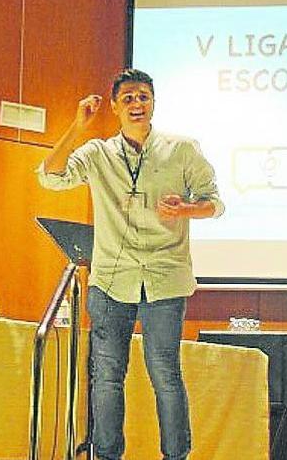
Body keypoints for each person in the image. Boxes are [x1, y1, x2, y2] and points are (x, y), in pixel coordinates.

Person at [36, 68, 224, 460]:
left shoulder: (182, 149)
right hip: (111, 279)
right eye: (128, 99)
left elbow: (215, 204)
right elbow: (51, 177)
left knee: (165, 373)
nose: (136, 105)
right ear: (116, 108)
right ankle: (106, 455)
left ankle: (176, 455)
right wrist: (77, 127)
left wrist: (186, 209)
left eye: (143, 97)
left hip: (165, 277)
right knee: (106, 376)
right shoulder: (98, 153)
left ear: (153, 103)